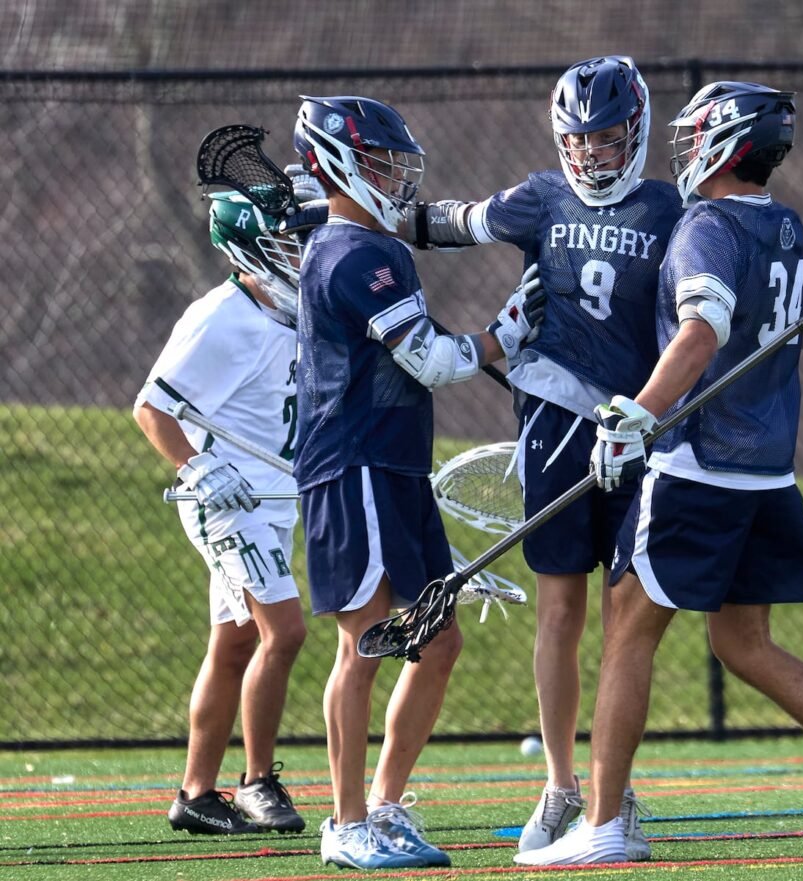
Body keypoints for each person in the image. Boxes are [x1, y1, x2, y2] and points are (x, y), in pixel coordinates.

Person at [514, 81, 803, 866]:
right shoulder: (784, 223)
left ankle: (603, 824)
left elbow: (703, 329)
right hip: (767, 471)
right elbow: (787, 322)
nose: (681, 145)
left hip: (698, 465)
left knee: (627, 631)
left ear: (724, 145)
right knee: (743, 642)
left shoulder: (703, 224)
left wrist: (637, 411)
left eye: (695, 132)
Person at [402, 56, 684, 860]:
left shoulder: (672, 207)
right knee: (560, 607)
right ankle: (562, 784)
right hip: (556, 414)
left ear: (635, 129)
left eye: (606, 137)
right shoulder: (539, 196)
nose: (592, 153)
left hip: (639, 425)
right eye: (579, 138)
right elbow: (447, 222)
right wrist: (343, 207)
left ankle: (610, 785)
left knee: (628, 614)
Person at [291, 94, 544, 870]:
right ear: (339, 166)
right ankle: (346, 821)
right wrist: (506, 334)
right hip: (353, 462)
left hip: (395, 463)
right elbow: (430, 360)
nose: (396, 179)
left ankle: (387, 804)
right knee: (367, 643)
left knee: (435, 642)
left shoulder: (372, 246)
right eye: (379, 163)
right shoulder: (351, 255)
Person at [134, 188, 319, 835]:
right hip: (227, 497)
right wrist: (198, 467)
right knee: (284, 631)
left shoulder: (294, 314)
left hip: (271, 495)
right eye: (287, 239)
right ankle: (258, 782)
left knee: (236, 639)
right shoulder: (221, 316)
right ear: (249, 248)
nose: (300, 250)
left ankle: (195, 792)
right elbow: (152, 408)